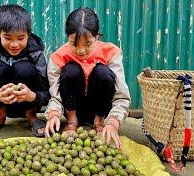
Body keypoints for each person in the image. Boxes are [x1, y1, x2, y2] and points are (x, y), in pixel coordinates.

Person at [44, 7, 131, 148]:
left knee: (103, 72)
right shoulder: (58, 57)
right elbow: (56, 95)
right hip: (72, 108)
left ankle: (99, 122)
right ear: (67, 37)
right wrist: (53, 114)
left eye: (88, 43)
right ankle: (72, 121)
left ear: (96, 36)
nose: (81, 50)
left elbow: (122, 96)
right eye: (74, 43)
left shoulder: (111, 52)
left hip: (101, 108)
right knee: (71, 70)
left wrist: (114, 121)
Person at [0, 4, 50, 137]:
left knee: (24, 68)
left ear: (28, 35)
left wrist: (33, 96)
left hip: (29, 101)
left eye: (20, 38)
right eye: (8, 38)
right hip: (1, 102)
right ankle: (0, 115)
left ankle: (31, 116)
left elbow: (47, 94)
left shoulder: (36, 53)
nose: (14, 44)